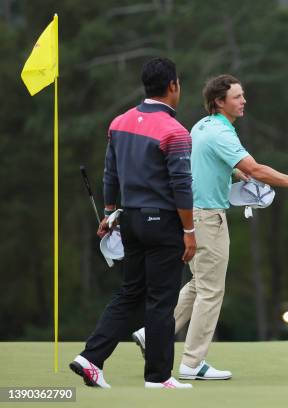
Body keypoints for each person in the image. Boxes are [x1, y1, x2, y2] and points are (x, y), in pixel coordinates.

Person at [131, 74, 288, 380]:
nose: (243, 101)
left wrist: (231, 171)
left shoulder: (203, 126)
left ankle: (151, 334)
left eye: (243, 95)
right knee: (211, 291)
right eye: (237, 97)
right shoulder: (222, 134)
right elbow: (256, 168)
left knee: (199, 284)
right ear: (220, 101)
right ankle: (192, 363)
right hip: (207, 217)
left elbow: (206, 163)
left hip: (195, 214)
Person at [69, 57, 195, 389]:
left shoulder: (119, 122)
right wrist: (190, 231)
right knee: (161, 301)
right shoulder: (175, 131)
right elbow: (181, 187)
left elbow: (110, 173)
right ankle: (159, 377)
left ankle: (90, 358)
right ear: (173, 86)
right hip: (163, 222)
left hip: (130, 219)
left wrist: (111, 213)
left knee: (131, 292)